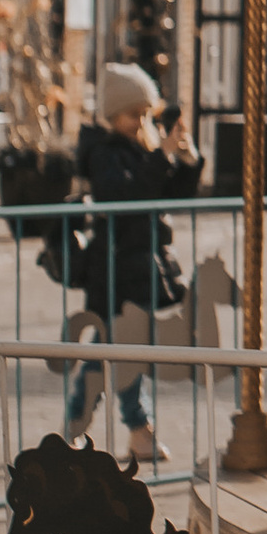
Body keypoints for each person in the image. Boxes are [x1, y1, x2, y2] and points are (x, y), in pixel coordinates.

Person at [62, 61, 204, 462]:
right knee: (116, 351)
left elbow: (169, 195)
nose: (139, 121)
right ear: (111, 114)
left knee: (120, 351)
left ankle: (103, 429)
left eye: (144, 114)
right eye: (132, 114)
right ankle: (118, 428)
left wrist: (188, 162)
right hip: (115, 268)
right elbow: (125, 198)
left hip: (140, 266)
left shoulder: (139, 148)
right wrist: (159, 157)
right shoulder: (104, 152)